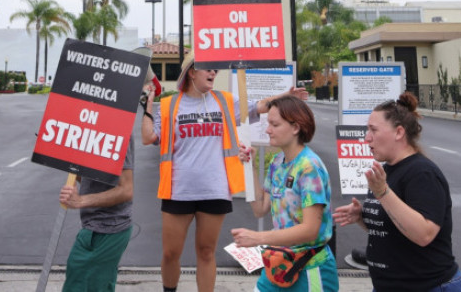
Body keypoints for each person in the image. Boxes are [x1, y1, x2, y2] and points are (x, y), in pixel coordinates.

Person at [140, 54, 305, 292]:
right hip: (178, 190)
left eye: (215, 70)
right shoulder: (170, 105)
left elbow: (259, 106)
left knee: (206, 251)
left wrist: (286, 96)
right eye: (208, 69)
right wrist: (147, 104)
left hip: (215, 189)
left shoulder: (225, 101)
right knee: (170, 253)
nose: (213, 73)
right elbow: (148, 138)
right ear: (191, 72)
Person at [333, 92, 461, 292]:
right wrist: (363, 217)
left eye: (373, 130)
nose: (366, 137)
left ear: (399, 132)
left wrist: (383, 194)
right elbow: (393, 226)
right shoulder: (387, 170)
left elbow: (424, 234)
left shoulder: (422, 173)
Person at [231, 95, 338, 292]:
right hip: (278, 265)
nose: (267, 130)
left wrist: (258, 238)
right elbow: (260, 209)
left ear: (296, 128)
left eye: (274, 124)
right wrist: (251, 167)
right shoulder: (277, 163)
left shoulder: (309, 167)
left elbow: (310, 230)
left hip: (311, 268)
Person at [58, 140, 135, 292]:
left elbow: (126, 190)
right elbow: (92, 178)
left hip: (106, 230)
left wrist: (81, 200)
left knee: (76, 282)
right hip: (98, 227)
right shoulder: (95, 126)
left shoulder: (118, 126)